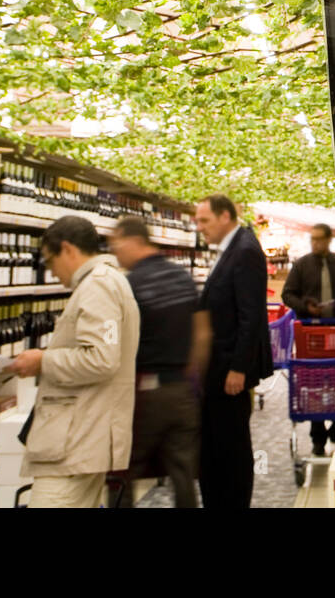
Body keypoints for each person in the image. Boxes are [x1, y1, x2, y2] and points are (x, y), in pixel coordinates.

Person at [9, 216, 140, 508]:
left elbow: (101, 358)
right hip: (85, 435)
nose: (52, 271)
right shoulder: (108, 281)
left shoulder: (99, 286)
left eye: (50, 260)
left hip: (75, 439)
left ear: (67, 249)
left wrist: (43, 361)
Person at [110, 216, 208, 508]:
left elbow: (118, 342)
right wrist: (192, 377)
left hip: (145, 392)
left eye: (117, 244)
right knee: (182, 472)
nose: (115, 252)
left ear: (134, 241)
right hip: (182, 390)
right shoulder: (181, 276)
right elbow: (203, 333)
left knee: (123, 469)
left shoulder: (129, 285)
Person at [194, 193, 271, 509]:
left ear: (225, 216)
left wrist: (239, 367)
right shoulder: (232, 249)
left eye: (204, 220)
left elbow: (250, 315)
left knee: (232, 449)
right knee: (215, 448)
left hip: (230, 371)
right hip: (219, 369)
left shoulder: (245, 251)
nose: (200, 227)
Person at [281, 223, 335, 456]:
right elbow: (287, 294)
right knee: (314, 381)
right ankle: (318, 437)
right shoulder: (301, 265)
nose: (316, 243)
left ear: (328, 240)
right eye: (313, 239)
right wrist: (305, 307)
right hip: (311, 334)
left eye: (320, 239)